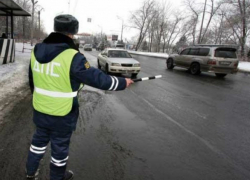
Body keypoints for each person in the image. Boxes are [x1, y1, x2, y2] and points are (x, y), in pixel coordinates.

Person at [26, 14, 134, 180]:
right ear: (72, 34)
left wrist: (39, 99)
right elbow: (98, 79)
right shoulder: (72, 56)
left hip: (40, 109)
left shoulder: (36, 50)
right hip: (63, 113)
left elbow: (32, 80)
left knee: (37, 144)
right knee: (59, 150)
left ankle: (31, 172)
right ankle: (57, 177)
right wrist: (122, 82)